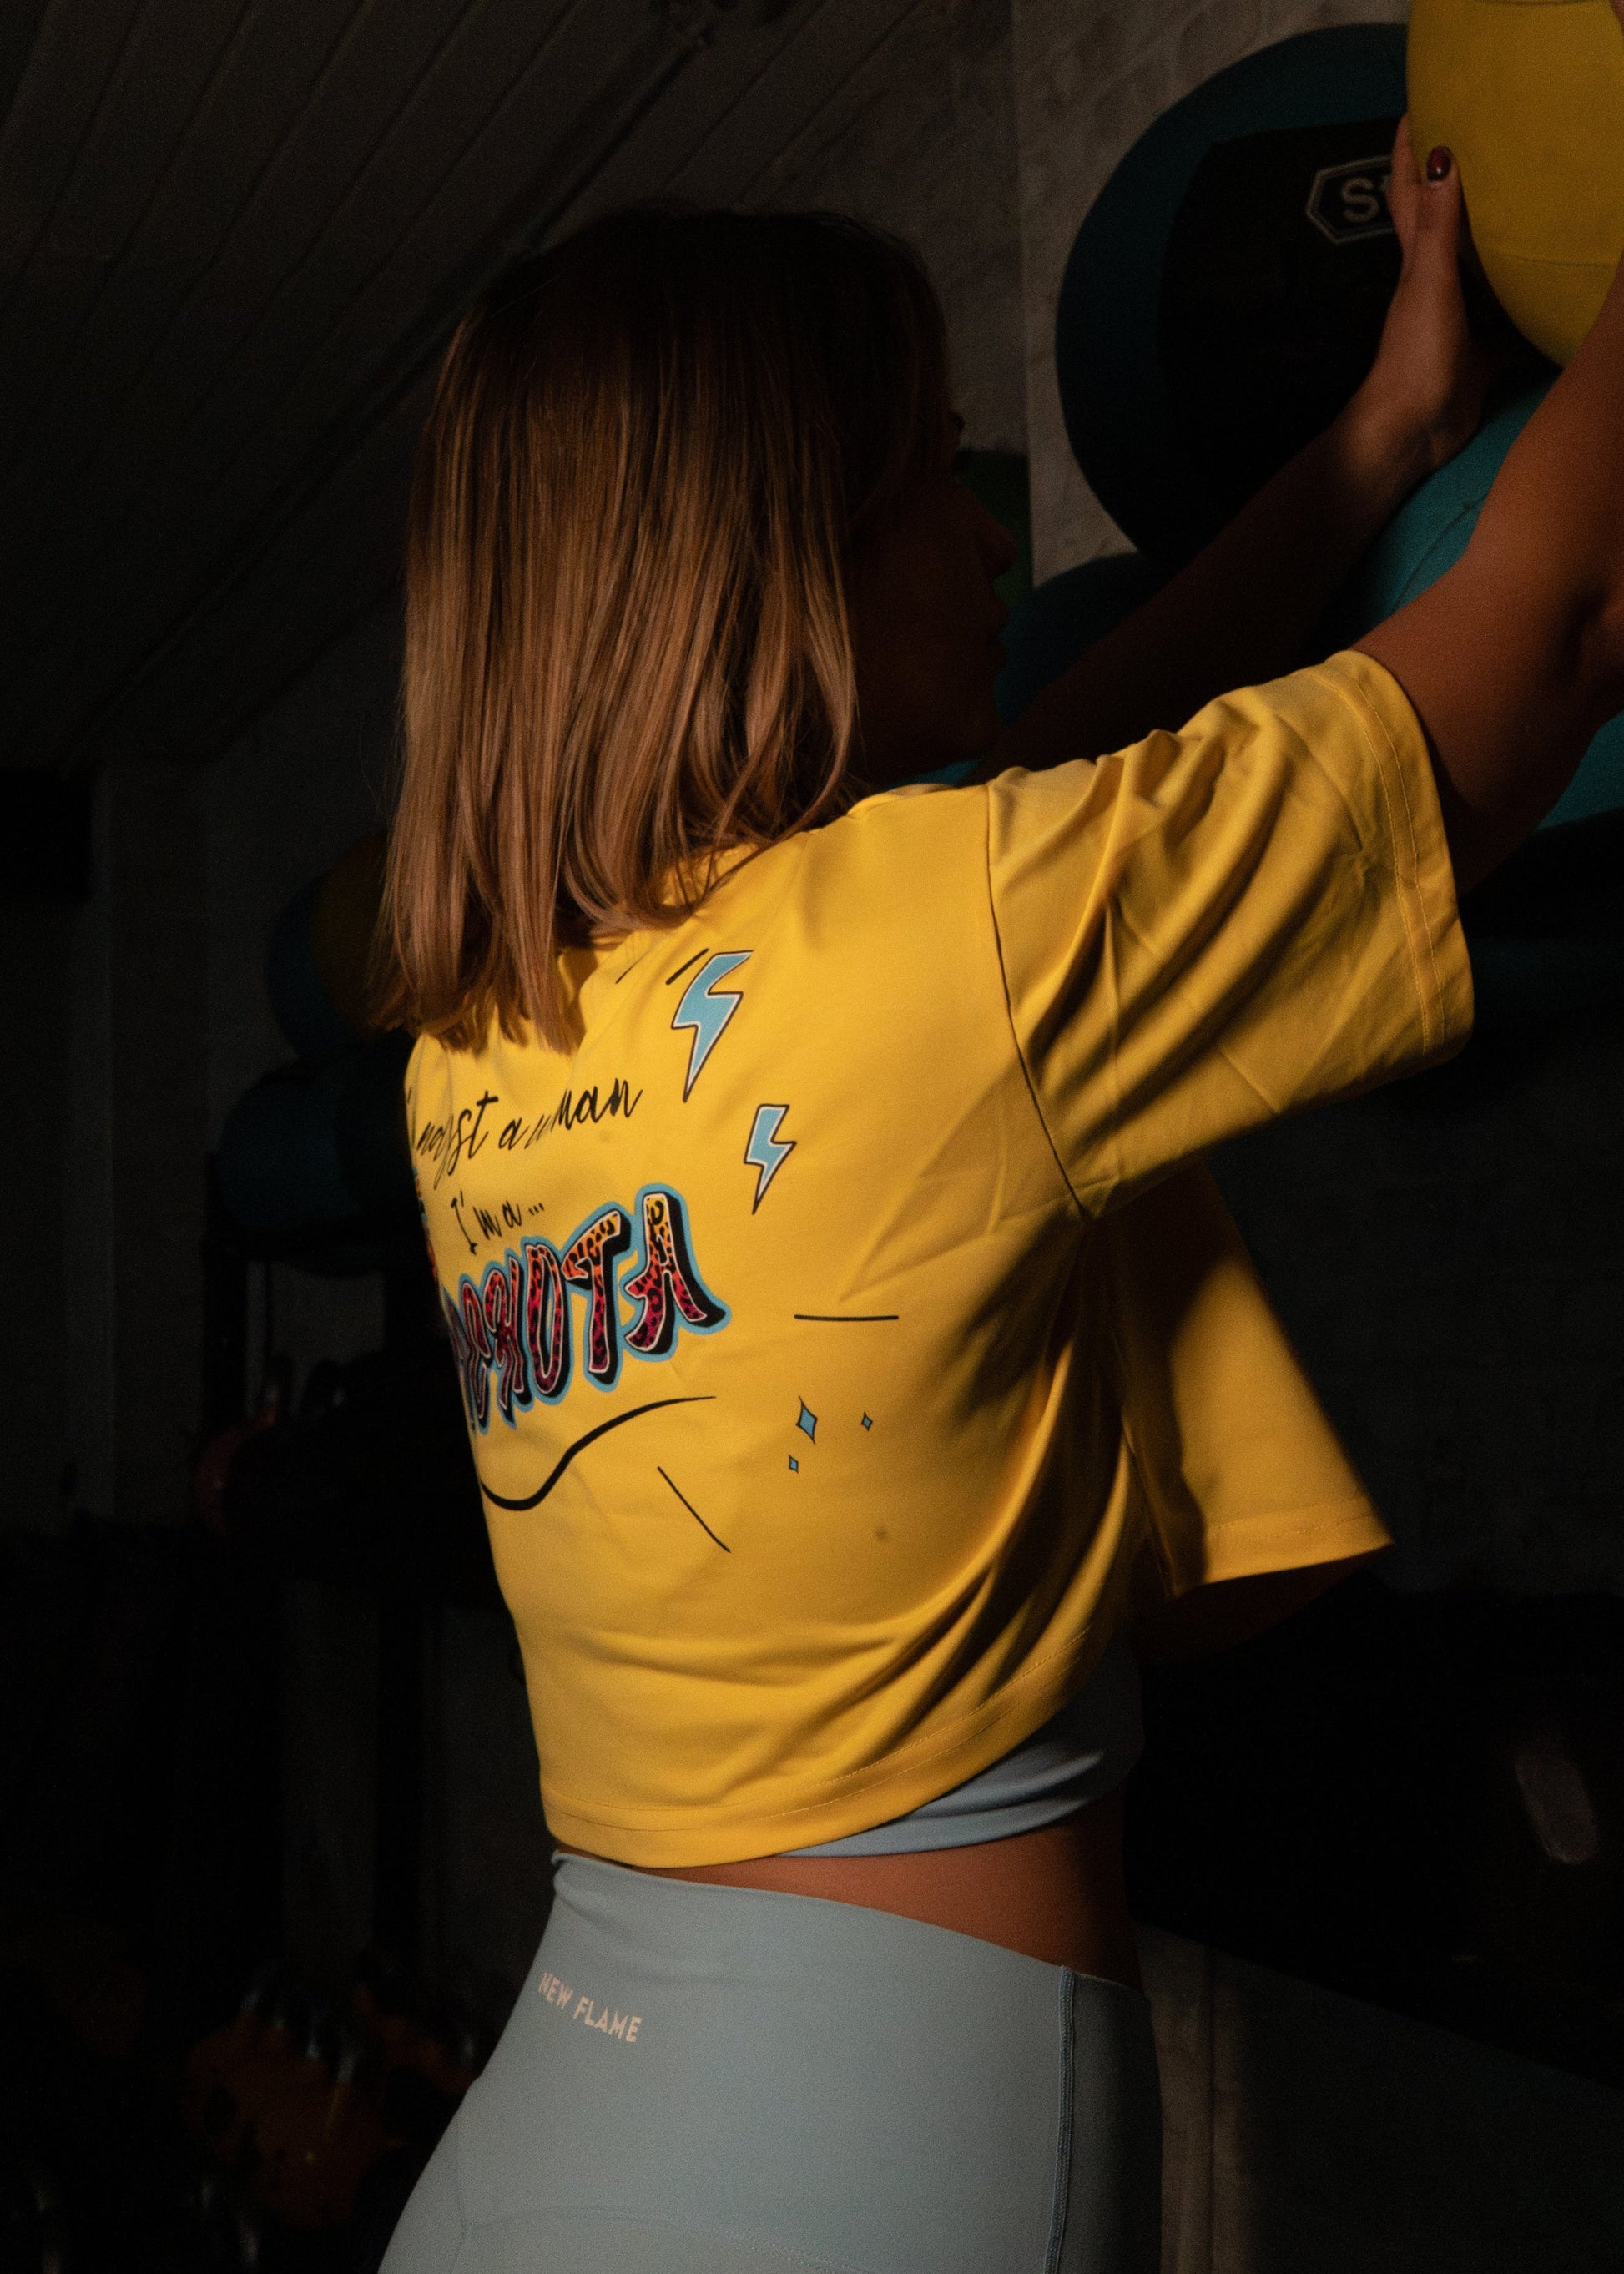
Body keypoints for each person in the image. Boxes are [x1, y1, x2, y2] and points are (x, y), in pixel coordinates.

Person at [377, 99, 1624, 2274]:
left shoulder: (479, 1040)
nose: (986, 540)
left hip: (560, 2097)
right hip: (873, 2140)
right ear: (771, 564)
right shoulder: (955, 958)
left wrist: (1379, 439)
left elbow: (1035, 807)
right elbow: (1565, 618)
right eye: (926, 481)